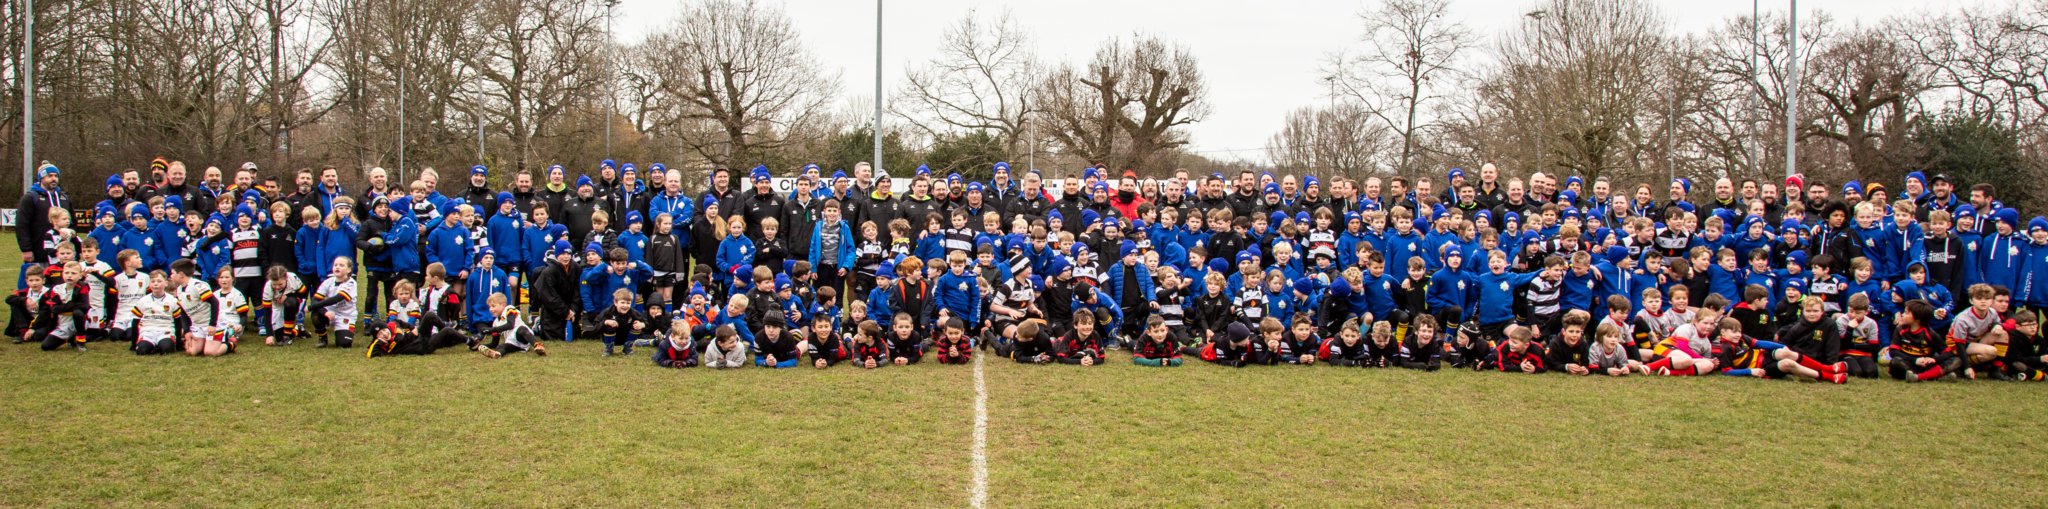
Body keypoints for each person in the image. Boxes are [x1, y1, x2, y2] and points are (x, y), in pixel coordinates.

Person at [478, 293, 545, 358]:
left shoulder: (509, 309)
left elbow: (510, 325)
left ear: (503, 305)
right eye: (489, 307)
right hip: (512, 343)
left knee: (522, 329)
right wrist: (479, 346)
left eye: (493, 306)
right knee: (502, 346)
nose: (490, 309)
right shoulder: (495, 323)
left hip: (522, 336)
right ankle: (497, 354)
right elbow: (494, 343)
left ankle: (537, 345)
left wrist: (491, 329)